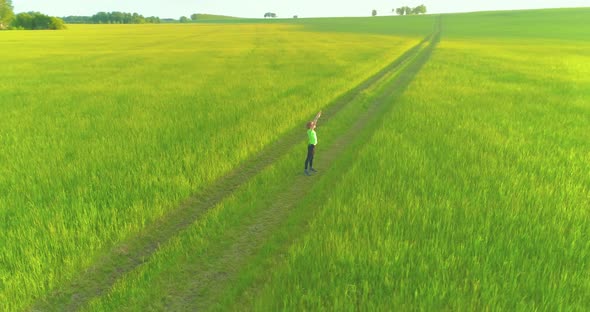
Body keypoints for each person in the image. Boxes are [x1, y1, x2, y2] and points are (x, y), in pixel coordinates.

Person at [305, 111, 321, 176]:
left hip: (313, 146)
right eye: (312, 124)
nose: (314, 125)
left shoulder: (312, 131)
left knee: (312, 157)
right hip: (311, 146)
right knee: (308, 157)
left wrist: (317, 118)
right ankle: (305, 170)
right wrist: (317, 117)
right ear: (310, 126)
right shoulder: (309, 131)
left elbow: (314, 123)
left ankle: (310, 167)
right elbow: (314, 122)